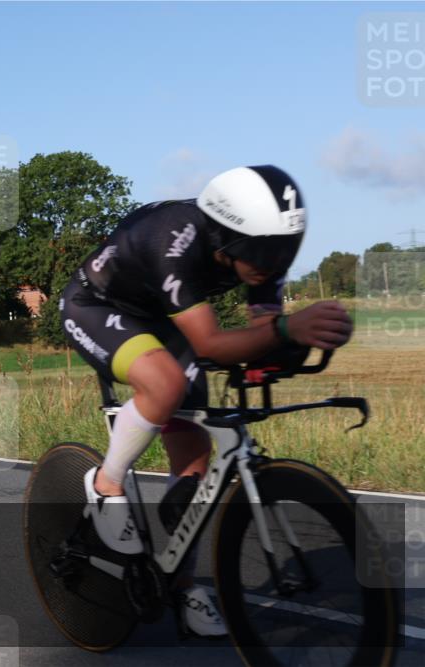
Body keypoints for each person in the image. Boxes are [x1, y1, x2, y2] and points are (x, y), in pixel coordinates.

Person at [59, 165, 353, 637]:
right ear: (226, 236)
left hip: (161, 319)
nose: (273, 263)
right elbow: (213, 343)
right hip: (97, 307)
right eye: (263, 251)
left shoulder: (259, 257)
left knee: (195, 463)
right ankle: (107, 484)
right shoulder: (172, 239)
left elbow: (261, 336)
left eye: (285, 250)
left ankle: (181, 581)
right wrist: (286, 329)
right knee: (165, 384)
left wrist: (297, 342)